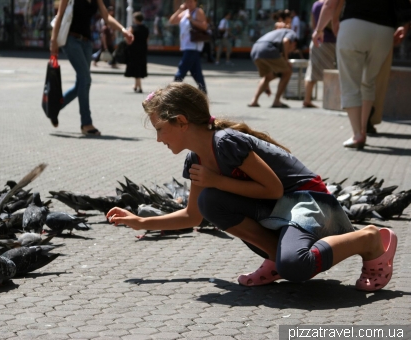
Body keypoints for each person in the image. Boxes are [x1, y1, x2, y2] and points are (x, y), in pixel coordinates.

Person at [106, 82, 397, 292]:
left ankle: (367, 239)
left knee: (296, 268)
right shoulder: (196, 160)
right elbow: (194, 216)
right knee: (210, 201)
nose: (158, 139)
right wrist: (141, 221)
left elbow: (273, 190)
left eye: (159, 129)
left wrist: (218, 181)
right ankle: (277, 259)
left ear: (181, 122)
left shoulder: (226, 142)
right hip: (279, 207)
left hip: (307, 202)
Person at [312, 0, 407, 149]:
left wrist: (319, 29)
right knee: (368, 82)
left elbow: (330, 4)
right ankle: (363, 129)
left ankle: (357, 134)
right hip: (385, 30)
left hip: (353, 26)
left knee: (350, 82)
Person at [50, 0, 133, 135]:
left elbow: (107, 17)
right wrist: (53, 42)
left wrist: (123, 30)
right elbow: (59, 16)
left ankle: (54, 107)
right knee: (85, 79)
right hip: (71, 40)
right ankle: (86, 123)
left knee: (81, 84)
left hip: (87, 44)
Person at [248, 28, 297, 108]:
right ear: (294, 43)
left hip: (255, 50)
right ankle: (276, 101)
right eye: (292, 50)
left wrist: (266, 85)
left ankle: (254, 101)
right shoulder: (291, 33)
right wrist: (286, 59)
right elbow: (286, 41)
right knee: (288, 72)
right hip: (267, 49)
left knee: (268, 76)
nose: (290, 51)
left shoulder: (278, 33)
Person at [168, 0, 208, 94]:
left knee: (181, 69)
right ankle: (203, 93)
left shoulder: (198, 11)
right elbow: (172, 21)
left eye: (191, 2)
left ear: (195, 2)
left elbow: (204, 26)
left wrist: (192, 20)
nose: (189, 4)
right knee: (196, 73)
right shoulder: (185, 12)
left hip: (193, 46)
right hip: (186, 46)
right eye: (187, 2)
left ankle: (172, 91)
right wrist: (179, 10)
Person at [303, 0, 336, 108]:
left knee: (312, 72)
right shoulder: (331, 4)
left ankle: (307, 99)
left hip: (316, 40)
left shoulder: (316, 4)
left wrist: (318, 30)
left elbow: (313, 24)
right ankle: (329, 101)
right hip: (329, 41)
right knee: (330, 73)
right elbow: (333, 22)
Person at [125, 12, 149, 93]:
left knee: (136, 68)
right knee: (139, 67)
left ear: (135, 19)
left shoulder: (133, 27)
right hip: (142, 50)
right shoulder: (146, 28)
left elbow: (127, 37)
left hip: (134, 50)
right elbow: (147, 40)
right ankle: (136, 85)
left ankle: (140, 87)